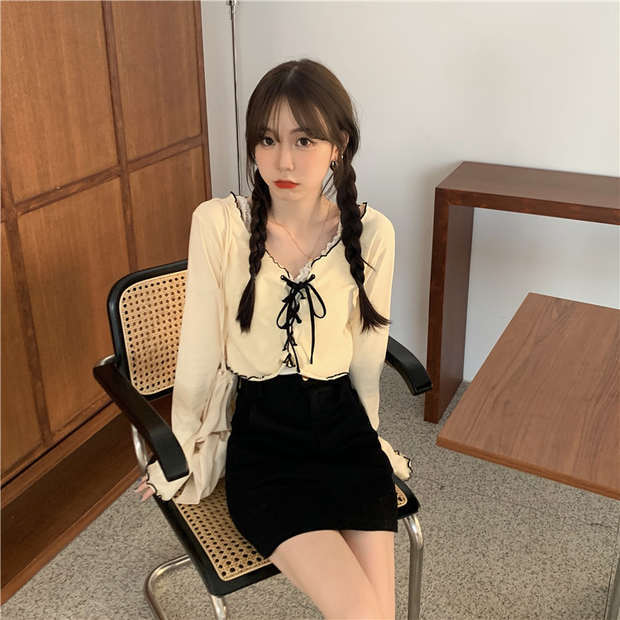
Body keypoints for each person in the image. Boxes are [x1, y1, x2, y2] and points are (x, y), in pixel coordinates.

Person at [135, 58, 412, 619]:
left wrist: (373, 436)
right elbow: (199, 347)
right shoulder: (219, 224)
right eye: (267, 139)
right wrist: (180, 447)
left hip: (346, 436)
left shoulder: (372, 233)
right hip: (266, 444)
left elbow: (366, 358)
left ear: (339, 145)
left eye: (304, 140)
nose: (283, 160)